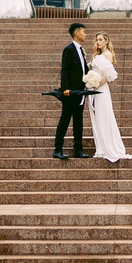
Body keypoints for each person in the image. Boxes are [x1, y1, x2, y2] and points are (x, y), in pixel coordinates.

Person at [86, 32, 132, 164]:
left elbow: (109, 76)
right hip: (93, 90)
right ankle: (100, 147)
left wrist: (95, 84)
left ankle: (108, 148)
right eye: (97, 40)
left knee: (103, 117)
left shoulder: (108, 55)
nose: (98, 42)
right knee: (97, 118)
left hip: (101, 90)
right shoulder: (97, 56)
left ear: (106, 41)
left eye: (100, 39)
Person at [51, 22, 90, 160]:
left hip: (81, 92)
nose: (86, 35)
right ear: (76, 33)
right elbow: (65, 70)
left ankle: (78, 150)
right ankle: (58, 149)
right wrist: (66, 88)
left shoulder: (81, 50)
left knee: (78, 121)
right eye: (84, 32)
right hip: (70, 92)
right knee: (65, 119)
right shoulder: (69, 49)